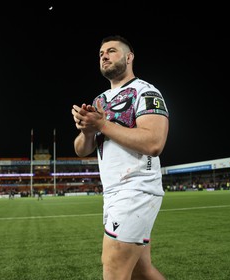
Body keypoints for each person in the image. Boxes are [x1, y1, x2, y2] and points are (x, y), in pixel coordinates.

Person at [72, 35, 169, 280]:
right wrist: (87, 130)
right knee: (141, 271)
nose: (104, 56)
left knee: (113, 267)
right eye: (101, 53)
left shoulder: (145, 91)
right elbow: (82, 149)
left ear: (129, 57)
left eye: (111, 51)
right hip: (113, 192)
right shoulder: (99, 101)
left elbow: (154, 142)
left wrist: (102, 124)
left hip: (136, 188)